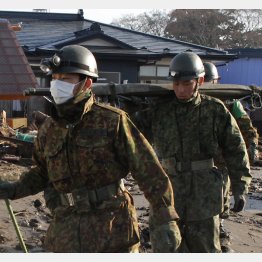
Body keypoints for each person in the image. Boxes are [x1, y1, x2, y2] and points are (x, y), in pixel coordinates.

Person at [0, 44, 181, 253]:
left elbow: (149, 171)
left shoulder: (112, 121)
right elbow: (42, 173)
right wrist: (13, 189)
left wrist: (166, 218)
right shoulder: (49, 129)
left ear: (86, 83)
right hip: (67, 231)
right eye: (55, 78)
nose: (57, 85)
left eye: (66, 79)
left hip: (113, 230)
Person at [132, 51, 252, 253]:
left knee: (204, 249)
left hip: (203, 195)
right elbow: (129, 133)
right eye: (176, 83)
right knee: (166, 248)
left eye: (186, 83)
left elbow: (235, 149)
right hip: (168, 192)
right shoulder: (159, 111)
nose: (180, 89)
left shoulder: (214, 110)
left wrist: (241, 187)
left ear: (200, 81)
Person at [203, 61, 259, 252]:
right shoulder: (187, 102)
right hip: (193, 163)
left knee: (220, 202)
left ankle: (220, 231)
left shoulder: (230, 103)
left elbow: (246, 127)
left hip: (220, 163)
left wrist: (252, 147)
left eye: (210, 82)